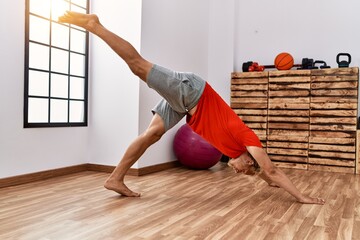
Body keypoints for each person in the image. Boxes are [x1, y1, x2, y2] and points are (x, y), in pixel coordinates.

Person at [58, 11, 325, 205]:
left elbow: (266, 177)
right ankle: (96, 25)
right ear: (248, 157)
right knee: (138, 66)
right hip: (192, 91)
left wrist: (265, 178)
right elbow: (271, 170)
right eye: (244, 169)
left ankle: (115, 178)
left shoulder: (239, 154)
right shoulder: (247, 139)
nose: (238, 172)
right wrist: (302, 197)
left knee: (151, 135)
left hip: (185, 107)